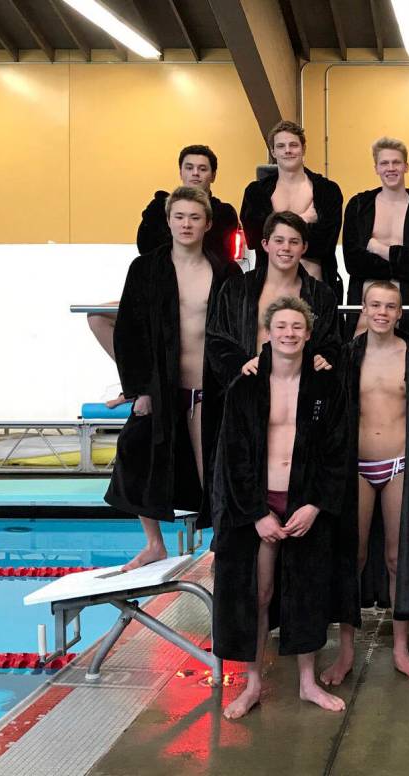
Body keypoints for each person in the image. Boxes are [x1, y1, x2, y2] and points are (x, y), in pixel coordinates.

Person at [211, 297, 353, 719]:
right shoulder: (246, 385)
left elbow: (337, 450)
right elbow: (232, 454)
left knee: (305, 593)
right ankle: (253, 683)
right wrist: (255, 513)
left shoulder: (327, 385)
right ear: (267, 334)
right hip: (259, 503)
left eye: (297, 327)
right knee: (260, 593)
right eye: (281, 326)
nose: (289, 334)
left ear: (309, 334)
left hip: (304, 502)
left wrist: (315, 505)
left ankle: (307, 682)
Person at [105, 187, 239, 569]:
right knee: (134, 455)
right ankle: (154, 544)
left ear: (208, 224)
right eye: (179, 217)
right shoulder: (146, 269)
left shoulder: (223, 270)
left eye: (195, 218)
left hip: (207, 388)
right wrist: (138, 390)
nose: (186, 224)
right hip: (160, 388)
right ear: (168, 221)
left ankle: (218, 547)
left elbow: (234, 331)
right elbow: (128, 332)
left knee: (212, 467)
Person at [323, 282, 409, 685]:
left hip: (401, 464)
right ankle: (344, 653)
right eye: (375, 305)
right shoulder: (345, 355)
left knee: (398, 558)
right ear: (364, 308)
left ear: (400, 312)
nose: (382, 312)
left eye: (390, 306)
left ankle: (401, 650)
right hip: (355, 465)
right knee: (351, 558)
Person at [88, 145, 239, 368]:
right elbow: (145, 246)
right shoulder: (160, 206)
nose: (195, 173)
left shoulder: (223, 212)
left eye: (202, 168)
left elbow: (219, 254)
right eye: (189, 167)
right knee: (98, 316)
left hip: (201, 299)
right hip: (159, 291)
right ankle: (137, 383)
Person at [207, 211, 341, 391]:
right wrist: (240, 367)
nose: (286, 248)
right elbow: (217, 339)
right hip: (245, 391)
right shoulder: (236, 289)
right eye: (279, 240)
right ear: (265, 244)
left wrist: (324, 358)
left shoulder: (322, 295)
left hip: (299, 395)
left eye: (294, 242)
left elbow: (332, 344)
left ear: (304, 247)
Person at [343, 137, 409, 340]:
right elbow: (353, 263)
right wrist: (403, 261)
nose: (391, 168)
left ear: (406, 166)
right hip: (364, 309)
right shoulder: (359, 206)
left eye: (396, 162)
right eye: (384, 163)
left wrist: (379, 248)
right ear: (376, 168)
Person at [240, 120, 344, 298]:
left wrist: (274, 228)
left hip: (315, 287)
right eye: (280, 146)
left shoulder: (327, 190)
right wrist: (302, 219)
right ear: (273, 151)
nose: (287, 150)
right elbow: (255, 239)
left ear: (303, 148)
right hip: (269, 289)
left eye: (293, 145)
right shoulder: (256, 192)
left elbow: (325, 243)